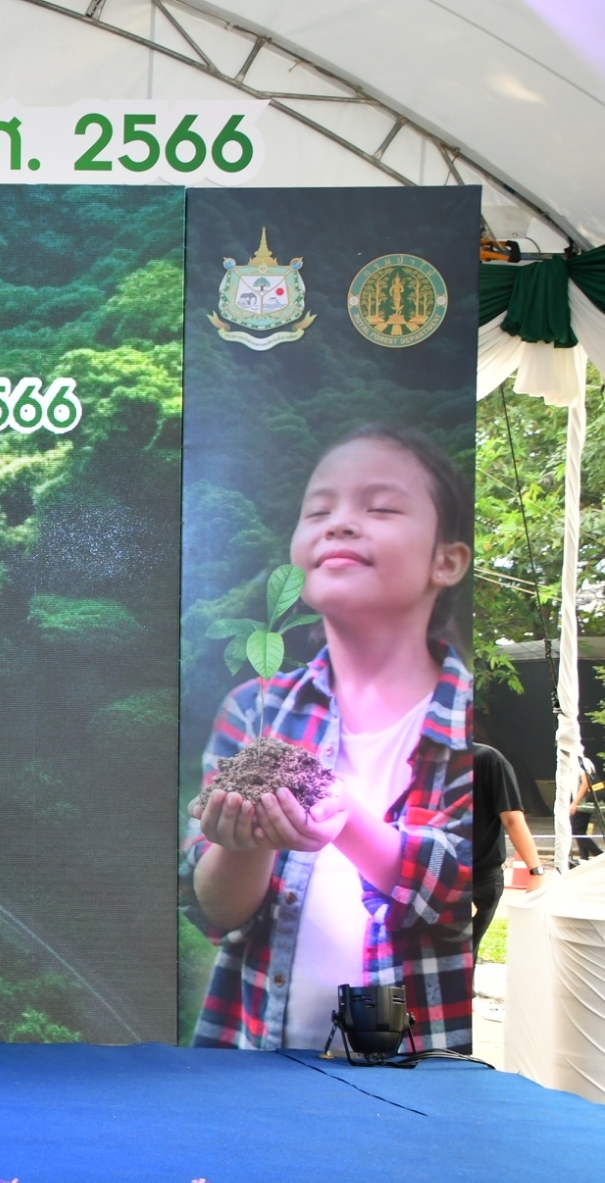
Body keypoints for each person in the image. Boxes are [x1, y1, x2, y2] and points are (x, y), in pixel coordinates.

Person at [182, 425, 473, 1053]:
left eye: (380, 507)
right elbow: (214, 910)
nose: (339, 523)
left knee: (371, 1089)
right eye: (318, 511)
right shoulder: (254, 709)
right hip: (259, 1049)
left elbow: (460, 894)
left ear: (446, 561)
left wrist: (336, 815)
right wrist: (242, 839)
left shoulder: (469, 721)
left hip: (401, 1039)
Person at [472, 742, 540, 951]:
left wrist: (536, 872)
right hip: (432, 875)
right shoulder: (418, 760)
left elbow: (512, 818)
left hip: (479, 877)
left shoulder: (487, 759)